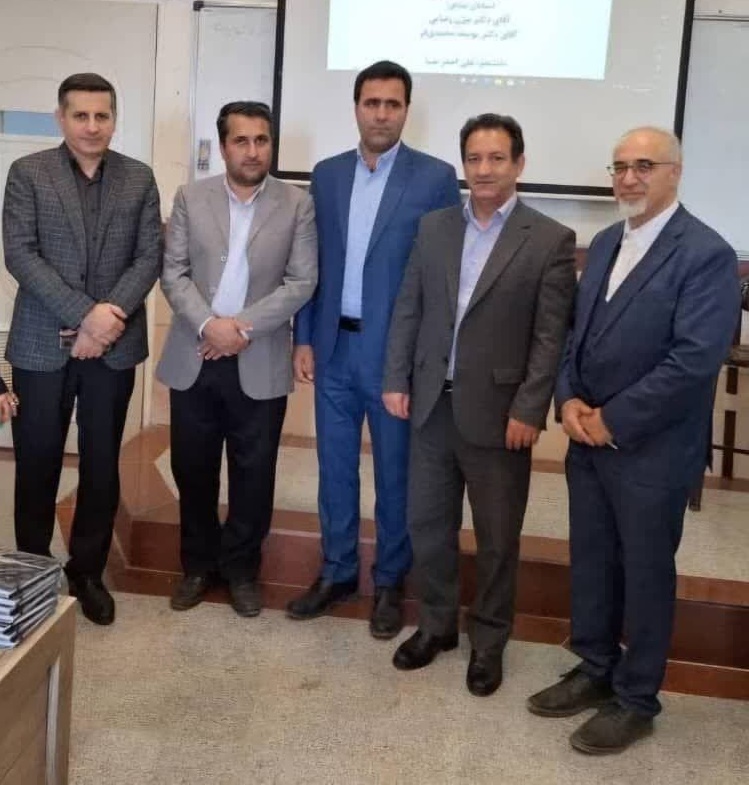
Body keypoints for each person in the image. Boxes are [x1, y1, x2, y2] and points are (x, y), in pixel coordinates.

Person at [527, 127, 740, 754]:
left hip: (652, 450)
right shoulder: (605, 242)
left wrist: (613, 419)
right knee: (592, 560)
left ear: (675, 171)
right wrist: (568, 399)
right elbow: (576, 334)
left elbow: (694, 361)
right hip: (586, 440)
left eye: (644, 166)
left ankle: (637, 698)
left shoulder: (706, 253)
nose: (628, 178)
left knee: (645, 573)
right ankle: (595, 666)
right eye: (619, 166)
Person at [382, 113, 576, 695]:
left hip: (500, 415)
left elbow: (550, 337)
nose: (484, 169)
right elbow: (410, 307)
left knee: (496, 538)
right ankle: (437, 624)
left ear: (519, 163)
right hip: (430, 407)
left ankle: (489, 640)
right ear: (463, 164)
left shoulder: (549, 239)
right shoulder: (434, 227)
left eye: (496, 158)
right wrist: (396, 377)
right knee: (428, 526)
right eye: (474, 158)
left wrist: (530, 409)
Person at [287, 60, 462, 638]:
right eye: (372, 103)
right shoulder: (327, 175)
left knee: (394, 475)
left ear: (406, 110)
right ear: (356, 107)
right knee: (334, 469)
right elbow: (311, 264)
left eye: (393, 104)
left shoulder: (435, 178)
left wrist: (422, 362)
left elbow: (440, 278)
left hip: (395, 359)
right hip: (334, 347)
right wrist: (304, 337)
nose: (381, 114)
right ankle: (337, 571)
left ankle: (389, 581)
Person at [2, 73, 162, 625]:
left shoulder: (139, 178)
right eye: (81, 115)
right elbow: (20, 255)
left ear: (114, 119)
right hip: (40, 347)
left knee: (100, 464)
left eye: (102, 116)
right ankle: (33, 571)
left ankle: (87, 572)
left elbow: (149, 256)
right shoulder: (28, 173)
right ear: (61, 118)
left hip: (113, 349)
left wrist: (106, 319)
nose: (92, 126)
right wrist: (85, 315)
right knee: (37, 463)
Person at [156, 101, 317, 618]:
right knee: (193, 468)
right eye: (241, 141)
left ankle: (242, 570)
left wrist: (238, 328)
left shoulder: (297, 204)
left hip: (259, 357)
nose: (252, 151)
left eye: (261, 140)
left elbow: (302, 281)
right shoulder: (191, 197)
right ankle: (198, 566)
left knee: (254, 474)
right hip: (195, 356)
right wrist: (210, 325)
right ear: (223, 147)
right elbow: (173, 273)